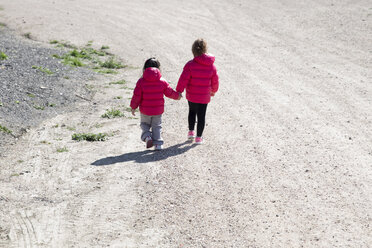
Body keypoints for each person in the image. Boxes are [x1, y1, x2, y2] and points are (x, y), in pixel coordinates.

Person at [130, 57, 181, 150]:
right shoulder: (162, 81)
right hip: (158, 110)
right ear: (158, 68)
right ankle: (158, 144)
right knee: (156, 126)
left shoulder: (141, 81)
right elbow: (169, 92)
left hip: (145, 110)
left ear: (144, 68)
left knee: (144, 125)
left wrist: (133, 107)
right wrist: (177, 96)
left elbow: (136, 96)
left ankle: (147, 137)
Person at [176, 39, 219, 144]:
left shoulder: (190, 65)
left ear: (193, 51)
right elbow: (215, 81)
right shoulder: (211, 66)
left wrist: (179, 91)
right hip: (204, 96)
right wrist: (213, 91)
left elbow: (183, 79)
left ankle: (191, 132)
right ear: (205, 50)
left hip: (192, 95)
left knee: (191, 112)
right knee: (201, 116)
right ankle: (199, 137)